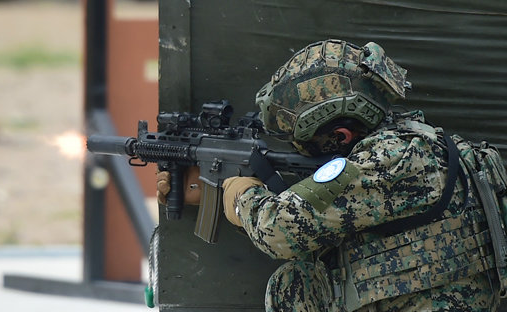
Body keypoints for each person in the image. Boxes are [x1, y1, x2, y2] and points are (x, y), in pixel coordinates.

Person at [157, 39, 507, 311]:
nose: (299, 149)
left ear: (341, 136)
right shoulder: (419, 144)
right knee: (303, 279)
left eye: (304, 141)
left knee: (292, 286)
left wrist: (240, 196)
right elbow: (330, 220)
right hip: (438, 296)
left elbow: (279, 232)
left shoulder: (388, 159)